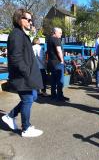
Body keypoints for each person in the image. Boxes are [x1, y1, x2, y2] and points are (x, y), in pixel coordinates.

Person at [2, 8, 43, 137]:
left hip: (26, 75)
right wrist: (26, 72)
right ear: (20, 19)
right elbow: (16, 57)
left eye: (32, 20)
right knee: (28, 100)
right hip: (22, 76)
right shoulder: (16, 34)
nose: (31, 22)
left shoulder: (21, 34)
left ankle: (10, 116)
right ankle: (26, 128)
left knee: (34, 96)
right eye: (29, 19)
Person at [47, 27, 70, 102]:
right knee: (60, 80)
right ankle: (60, 96)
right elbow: (59, 50)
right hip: (57, 62)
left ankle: (53, 95)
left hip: (52, 62)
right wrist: (62, 60)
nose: (61, 34)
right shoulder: (56, 39)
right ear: (55, 32)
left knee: (53, 80)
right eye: (60, 33)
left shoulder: (49, 39)